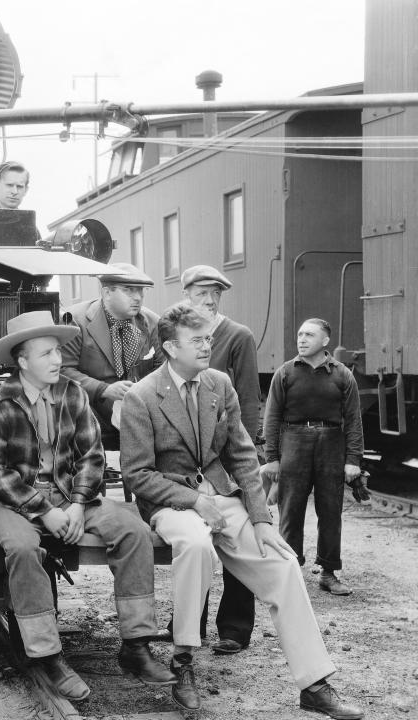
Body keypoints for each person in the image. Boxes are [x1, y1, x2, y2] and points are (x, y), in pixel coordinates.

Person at [120, 303, 364, 719]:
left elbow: (243, 459)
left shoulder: (219, 384)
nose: (206, 346)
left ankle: (313, 683)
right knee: (196, 545)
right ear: (169, 347)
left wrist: (262, 520)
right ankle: (182, 661)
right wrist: (195, 501)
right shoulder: (142, 396)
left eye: (208, 339)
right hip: (171, 502)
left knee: (283, 561)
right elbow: (137, 475)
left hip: (221, 497)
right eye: (196, 341)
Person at [0, 311, 175, 702]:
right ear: (22, 361)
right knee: (23, 549)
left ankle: (136, 646)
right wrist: (43, 510)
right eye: (47, 353)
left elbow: (92, 457)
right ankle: (47, 657)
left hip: (71, 496)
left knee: (134, 532)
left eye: (58, 351)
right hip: (11, 503)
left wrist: (79, 505)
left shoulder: (73, 393)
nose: (56, 360)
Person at [180, 264, 262, 655]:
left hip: (227, 455)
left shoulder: (238, 336)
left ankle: (234, 627)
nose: (209, 301)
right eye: (201, 293)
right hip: (189, 462)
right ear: (186, 295)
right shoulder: (175, 333)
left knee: (235, 538)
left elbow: (248, 400)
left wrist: (249, 459)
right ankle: (187, 624)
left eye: (216, 294)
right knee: (195, 540)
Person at [262, 318, 365, 596]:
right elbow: (271, 418)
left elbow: (354, 420)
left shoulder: (342, 375)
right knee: (290, 511)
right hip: (294, 443)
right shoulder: (285, 373)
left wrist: (353, 460)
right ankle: (290, 570)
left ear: (325, 341)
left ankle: (329, 574)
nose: (302, 339)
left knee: (331, 512)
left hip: (332, 444)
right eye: (300, 334)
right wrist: (272, 458)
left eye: (309, 335)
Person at [60, 263, 161, 448]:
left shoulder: (152, 322)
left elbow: (163, 369)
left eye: (141, 291)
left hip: (141, 424)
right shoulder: (74, 321)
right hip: (90, 424)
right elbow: (62, 370)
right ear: (107, 293)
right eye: (128, 290)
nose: (138, 298)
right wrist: (104, 389)